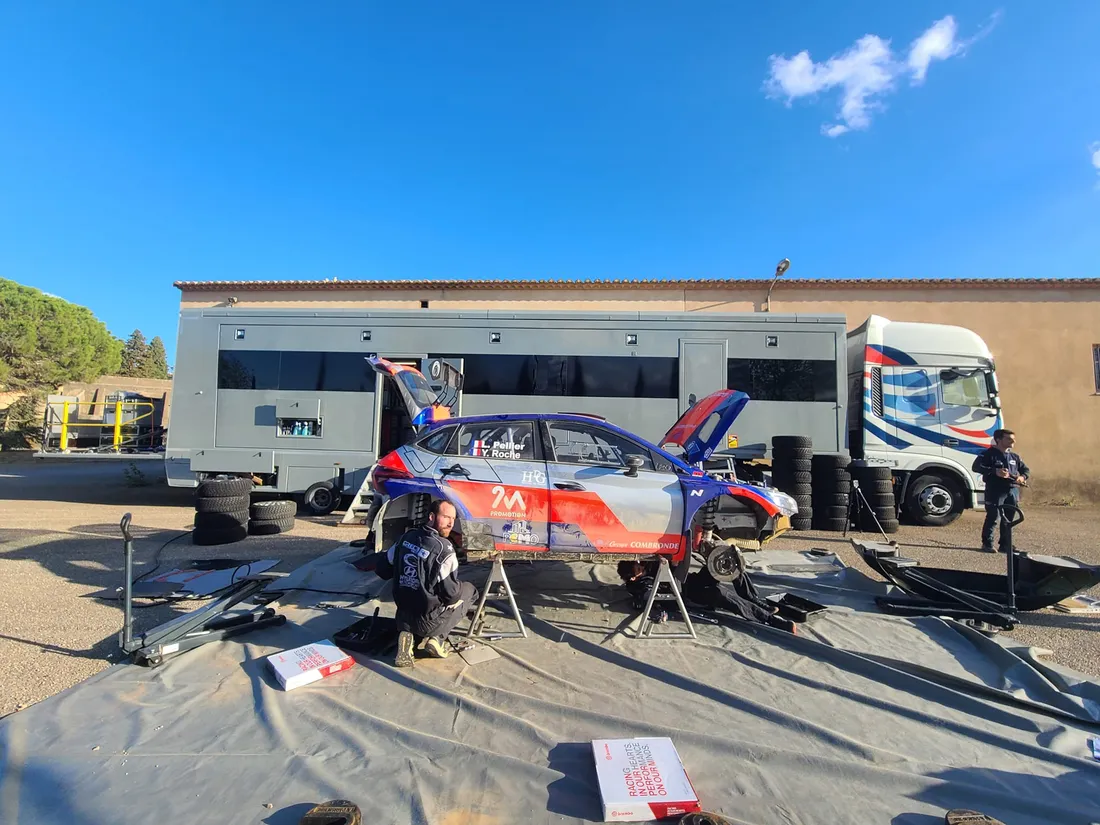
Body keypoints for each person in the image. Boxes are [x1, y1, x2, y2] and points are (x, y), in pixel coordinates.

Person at [375, 499, 479, 666]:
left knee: (422, 601)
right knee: (468, 590)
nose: (451, 523)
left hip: (403, 615)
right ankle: (437, 639)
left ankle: (408, 635)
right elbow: (451, 596)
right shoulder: (445, 550)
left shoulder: (404, 539)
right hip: (429, 621)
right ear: (431, 516)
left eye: (453, 519)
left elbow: (382, 570)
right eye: (446, 517)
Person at [972, 429, 1030, 553]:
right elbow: (976, 467)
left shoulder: (1014, 457)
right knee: (994, 516)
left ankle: (1005, 545)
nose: (1013, 441)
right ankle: (987, 544)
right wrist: (995, 471)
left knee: (1009, 519)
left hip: (1012, 490)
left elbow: (1025, 470)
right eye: (1008, 438)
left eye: (1013, 438)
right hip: (995, 490)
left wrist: (1022, 477)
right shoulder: (988, 454)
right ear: (998, 440)